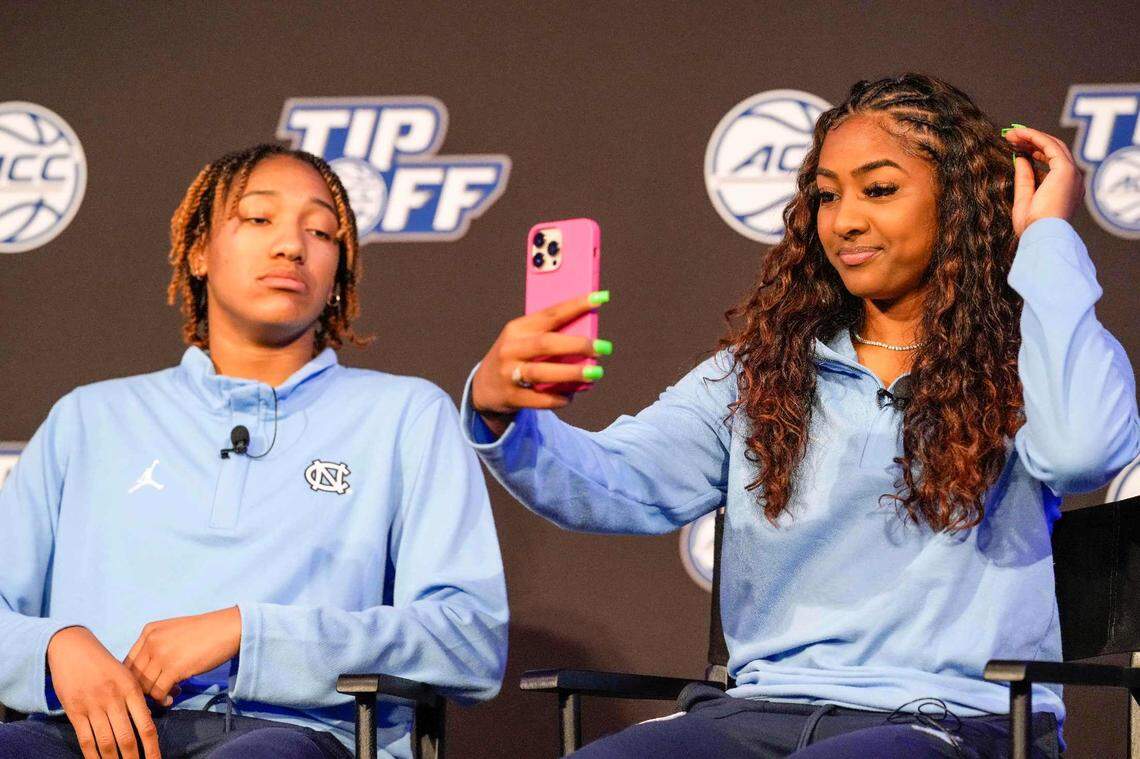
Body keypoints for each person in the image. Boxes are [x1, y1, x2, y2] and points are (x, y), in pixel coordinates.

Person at [462, 74, 1140, 757]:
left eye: (879, 190)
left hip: (956, 720)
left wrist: (1047, 239)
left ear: (958, 204)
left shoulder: (1029, 356)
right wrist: (501, 414)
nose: (843, 220)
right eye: (826, 194)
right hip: (757, 714)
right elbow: (614, 481)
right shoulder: (765, 371)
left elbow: (1085, 449)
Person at [0, 144, 508, 759]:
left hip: (294, 738)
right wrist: (53, 648)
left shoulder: (406, 415)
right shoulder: (88, 417)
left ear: (339, 270)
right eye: (259, 219)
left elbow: (469, 640)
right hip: (81, 737)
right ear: (197, 252)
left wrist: (253, 634)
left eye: (320, 230)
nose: (292, 246)